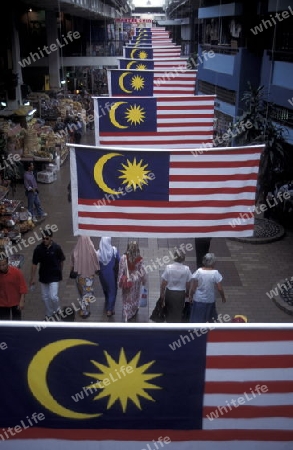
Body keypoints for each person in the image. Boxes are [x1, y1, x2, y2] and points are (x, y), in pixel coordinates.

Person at [30, 228, 66, 319]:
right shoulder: (38, 249)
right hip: (44, 276)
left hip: (54, 276)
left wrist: (60, 271)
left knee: (53, 296)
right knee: (45, 297)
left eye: (47, 238)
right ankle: (49, 313)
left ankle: (57, 309)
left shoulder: (57, 248)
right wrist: (33, 277)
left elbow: (61, 260)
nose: (44, 240)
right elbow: (34, 264)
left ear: (51, 238)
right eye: (43, 238)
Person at [189, 253, 226, 323]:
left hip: (198, 299)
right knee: (210, 320)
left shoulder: (199, 271)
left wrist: (190, 295)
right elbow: (220, 288)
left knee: (197, 320)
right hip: (210, 299)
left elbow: (194, 287)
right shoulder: (215, 273)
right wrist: (223, 297)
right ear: (213, 262)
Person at [70, 236, 100, 319]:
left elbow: (72, 260)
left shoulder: (76, 250)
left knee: (83, 292)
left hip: (79, 276)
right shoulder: (91, 248)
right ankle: (84, 312)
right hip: (89, 275)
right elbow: (95, 257)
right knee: (88, 293)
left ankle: (84, 309)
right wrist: (97, 268)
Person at [160, 249, 192, 323]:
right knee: (179, 310)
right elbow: (188, 283)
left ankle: (169, 323)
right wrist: (188, 293)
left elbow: (163, 283)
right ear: (183, 258)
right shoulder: (186, 269)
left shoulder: (169, 267)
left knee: (169, 309)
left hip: (170, 292)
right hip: (181, 293)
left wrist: (162, 294)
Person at [118, 241, 146, 322]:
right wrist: (144, 280)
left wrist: (119, 282)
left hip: (126, 280)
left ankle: (127, 312)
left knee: (126, 296)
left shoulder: (123, 258)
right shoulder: (139, 259)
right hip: (135, 281)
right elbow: (142, 271)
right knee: (134, 296)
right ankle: (133, 310)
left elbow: (121, 270)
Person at [96, 237, 120, 317]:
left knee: (105, 289)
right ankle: (110, 309)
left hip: (102, 275)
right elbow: (119, 260)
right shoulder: (114, 250)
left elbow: (96, 265)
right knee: (112, 291)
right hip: (112, 274)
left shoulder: (98, 253)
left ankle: (107, 301)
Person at [0, 254, 28, 320]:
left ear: (7, 263)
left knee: (17, 323)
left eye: (3, 265)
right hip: (2, 303)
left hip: (16, 302)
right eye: (0, 265)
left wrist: (22, 301)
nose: (1, 267)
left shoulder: (16, 272)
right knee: (5, 324)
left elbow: (22, 287)